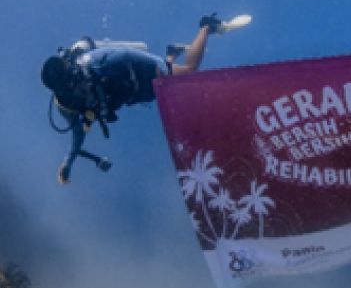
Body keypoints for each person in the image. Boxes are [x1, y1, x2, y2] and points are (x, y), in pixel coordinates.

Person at [41, 13, 224, 185]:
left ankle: (206, 26)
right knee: (159, 92)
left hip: (136, 69)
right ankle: (171, 54)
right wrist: (68, 163)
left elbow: (125, 54)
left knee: (187, 73)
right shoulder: (65, 103)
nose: (74, 88)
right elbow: (78, 134)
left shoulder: (89, 63)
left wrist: (158, 64)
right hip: (129, 89)